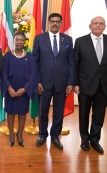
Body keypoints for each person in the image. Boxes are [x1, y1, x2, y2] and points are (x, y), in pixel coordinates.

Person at [74, 16, 107, 153]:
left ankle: (95, 140)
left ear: (105, 27)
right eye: (95, 23)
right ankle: (84, 140)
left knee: (99, 114)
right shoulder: (80, 41)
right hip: (85, 84)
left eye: (101, 24)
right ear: (90, 26)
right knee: (83, 114)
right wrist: (75, 83)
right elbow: (75, 64)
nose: (98, 26)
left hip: (104, 85)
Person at [32, 13, 75, 150]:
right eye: (52, 21)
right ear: (48, 23)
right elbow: (35, 61)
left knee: (58, 111)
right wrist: (37, 81)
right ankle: (42, 134)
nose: (55, 24)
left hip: (62, 82)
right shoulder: (39, 39)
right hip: (43, 82)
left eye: (57, 21)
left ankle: (55, 135)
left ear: (61, 23)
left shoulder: (68, 39)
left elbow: (71, 62)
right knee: (43, 110)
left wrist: (70, 82)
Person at [1, 33, 38, 147]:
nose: (19, 42)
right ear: (14, 41)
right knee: (10, 112)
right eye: (17, 40)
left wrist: (25, 89)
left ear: (25, 42)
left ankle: (20, 135)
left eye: (21, 40)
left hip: (24, 90)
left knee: (22, 112)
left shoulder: (30, 57)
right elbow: (3, 74)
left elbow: (33, 75)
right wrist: (9, 88)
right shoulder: (7, 56)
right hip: (10, 90)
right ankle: (12, 134)